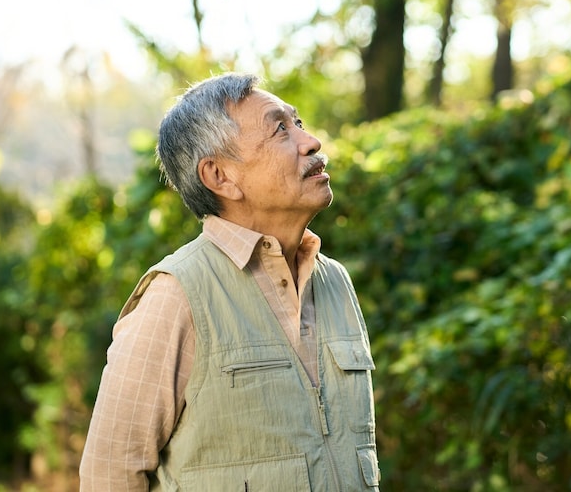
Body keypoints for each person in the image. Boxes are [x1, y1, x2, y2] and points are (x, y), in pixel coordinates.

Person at [79, 73, 380, 491]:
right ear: (220, 176)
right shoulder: (176, 294)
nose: (310, 142)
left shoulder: (335, 281)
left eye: (298, 123)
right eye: (280, 129)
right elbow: (109, 474)